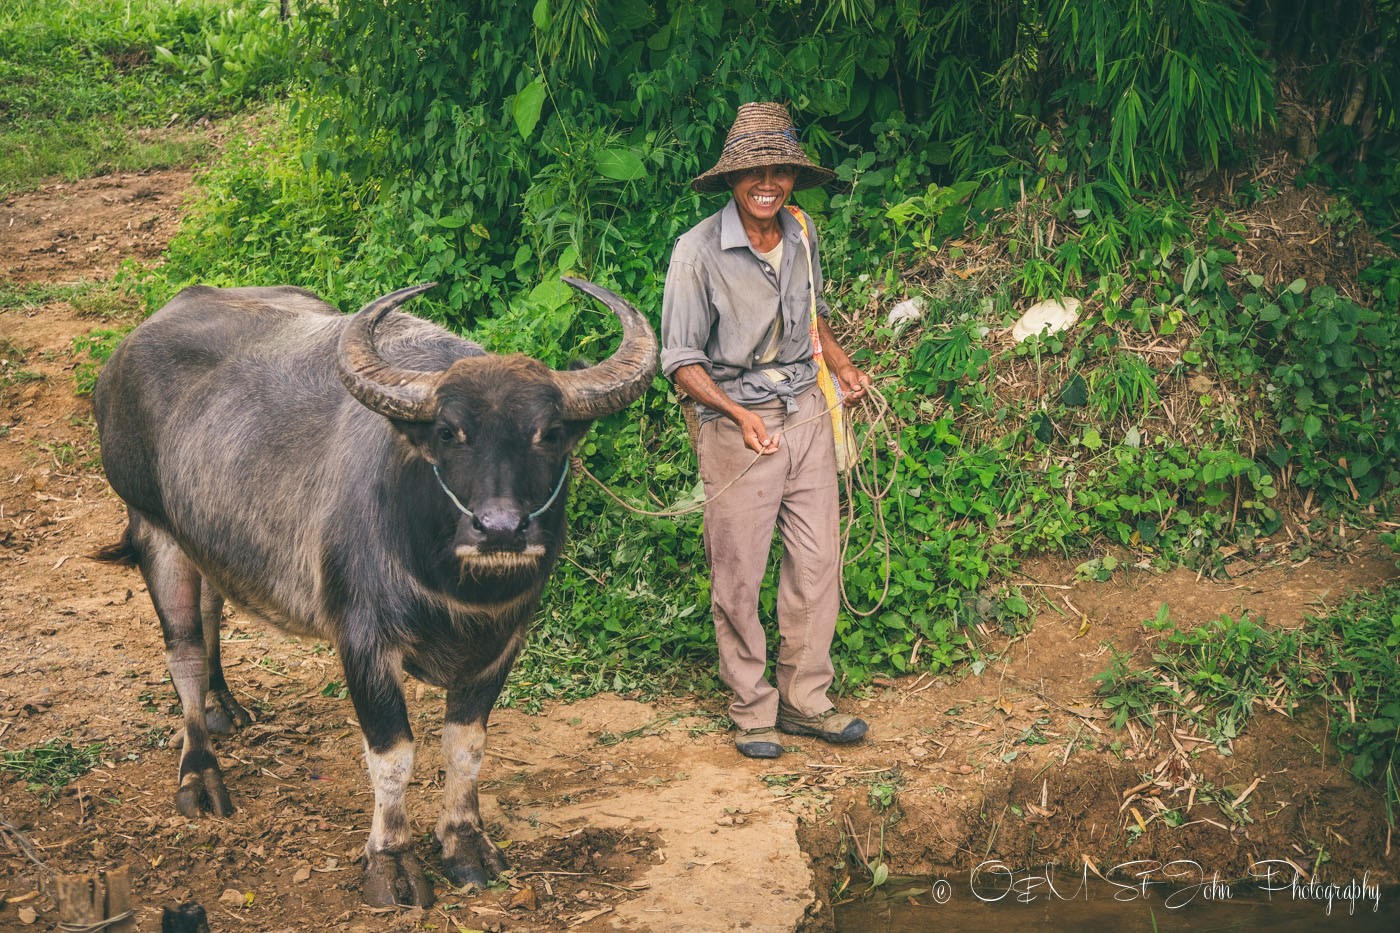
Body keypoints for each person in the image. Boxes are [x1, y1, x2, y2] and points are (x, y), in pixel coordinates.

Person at [661, 102, 872, 759]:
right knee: (740, 572)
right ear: (732, 178)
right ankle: (752, 707)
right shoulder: (696, 252)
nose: (768, 182)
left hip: (807, 411)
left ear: (792, 178)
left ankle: (806, 700)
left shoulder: (801, 231)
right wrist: (738, 415)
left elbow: (811, 319)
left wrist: (841, 367)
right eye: (755, 169)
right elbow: (681, 362)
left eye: (780, 169)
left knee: (815, 563)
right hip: (737, 425)